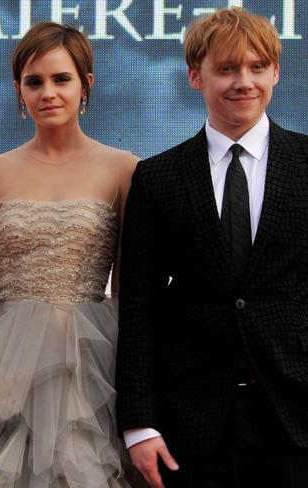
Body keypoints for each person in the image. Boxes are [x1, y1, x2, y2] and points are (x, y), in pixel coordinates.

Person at [116, 7, 308, 488]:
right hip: (192, 423)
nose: (243, 81)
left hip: (297, 416)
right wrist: (139, 423)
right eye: (226, 69)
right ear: (195, 77)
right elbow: (138, 304)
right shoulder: (157, 178)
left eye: (257, 67)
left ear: (276, 72)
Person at [0, 21, 139, 487]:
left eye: (61, 79)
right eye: (34, 81)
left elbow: (129, 286)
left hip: (91, 356)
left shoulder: (124, 168)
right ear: (18, 89)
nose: (48, 92)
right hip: (4, 357)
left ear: (86, 84)